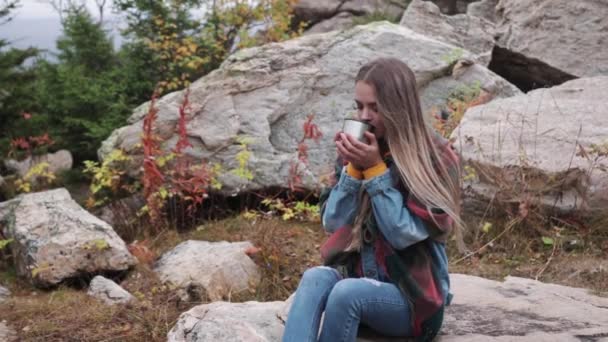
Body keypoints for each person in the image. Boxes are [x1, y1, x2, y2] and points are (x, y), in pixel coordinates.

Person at [281, 57, 462, 342]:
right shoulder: (359, 142)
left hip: (412, 301)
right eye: (359, 106)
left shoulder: (435, 158)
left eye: (375, 108)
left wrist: (376, 171)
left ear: (399, 108)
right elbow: (332, 222)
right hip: (358, 278)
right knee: (315, 278)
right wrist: (353, 169)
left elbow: (403, 234)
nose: (364, 116)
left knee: (345, 294)